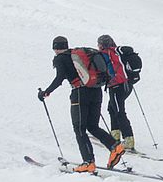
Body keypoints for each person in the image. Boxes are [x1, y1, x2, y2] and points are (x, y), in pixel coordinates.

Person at [38, 36, 124, 174]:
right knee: (92, 126)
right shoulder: (76, 55)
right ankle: (115, 147)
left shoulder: (60, 58)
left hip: (79, 93)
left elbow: (60, 78)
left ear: (55, 47)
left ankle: (88, 163)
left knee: (79, 129)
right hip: (96, 91)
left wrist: (46, 92)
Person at [97, 34, 136, 152]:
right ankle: (115, 135)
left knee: (119, 111)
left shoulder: (106, 54)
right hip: (126, 85)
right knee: (112, 108)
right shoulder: (117, 52)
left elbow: (107, 70)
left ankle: (128, 140)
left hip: (117, 85)